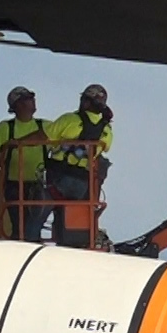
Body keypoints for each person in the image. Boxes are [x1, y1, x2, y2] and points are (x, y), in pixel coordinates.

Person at [42, 84, 114, 248]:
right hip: (83, 184)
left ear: (87, 102)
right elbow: (104, 149)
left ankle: (26, 240)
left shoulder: (70, 120)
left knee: (37, 209)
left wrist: (19, 143)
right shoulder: (107, 130)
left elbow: (45, 137)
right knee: (77, 218)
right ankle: (77, 243)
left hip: (60, 180)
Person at [0, 86, 49, 241]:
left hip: (38, 184)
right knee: (19, 225)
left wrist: (18, 143)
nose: (33, 101)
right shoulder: (5, 127)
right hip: (14, 185)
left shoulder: (45, 126)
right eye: (29, 98)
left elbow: (61, 135)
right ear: (18, 105)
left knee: (33, 225)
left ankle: (30, 246)